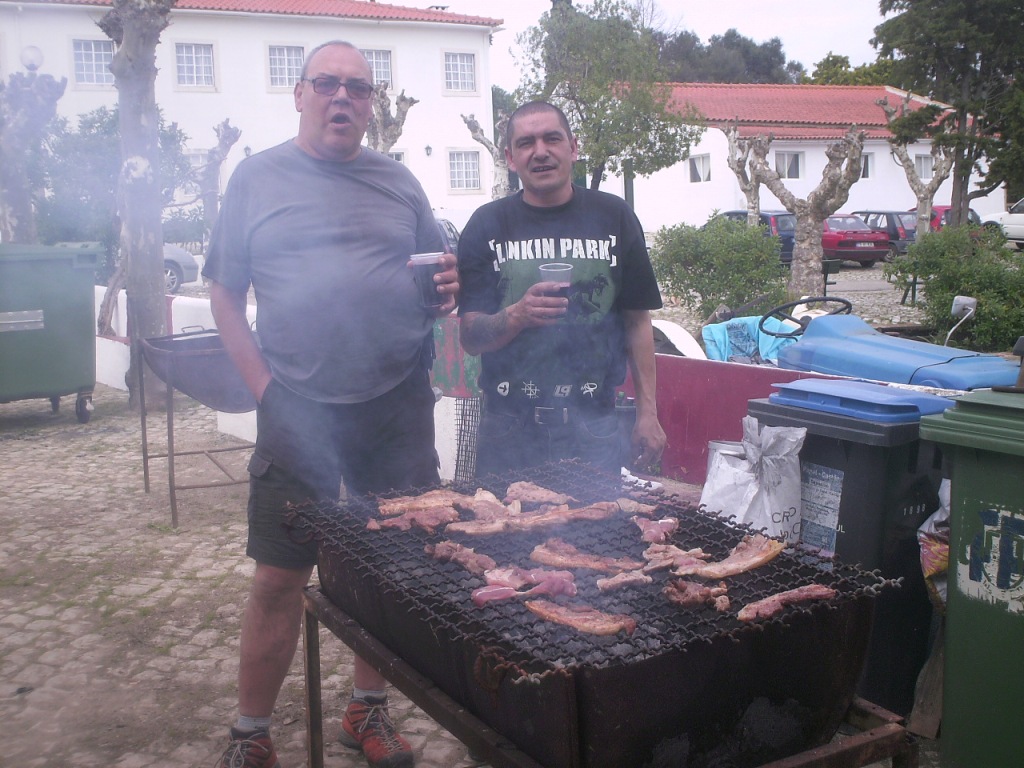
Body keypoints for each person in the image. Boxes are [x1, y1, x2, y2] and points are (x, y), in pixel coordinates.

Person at [204, 40, 458, 768]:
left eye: (358, 87)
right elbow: (224, 294)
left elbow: (436, 278)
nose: (342, 97)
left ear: (371, 104)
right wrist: (265, 391)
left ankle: (365, 711)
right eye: (327, 84)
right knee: (278, 577)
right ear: (300, 94)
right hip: (299, 407)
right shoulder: (256, 178)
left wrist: (445, 289)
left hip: (396, 403)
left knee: (386, 565)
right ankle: (251, 734)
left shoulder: (398, 180)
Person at [457, 100, 666, 477]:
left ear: (573, 147)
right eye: (526, 143)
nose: (540, 152)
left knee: (598, 517)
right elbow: (470, 337)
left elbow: (637, 321)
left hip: (594, 426)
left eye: (552, 139)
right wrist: (517, 315)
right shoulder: (487, 225)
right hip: (508, 428)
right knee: (497, 517)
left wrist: (648, 413)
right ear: (510, 158)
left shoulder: (614, 216)